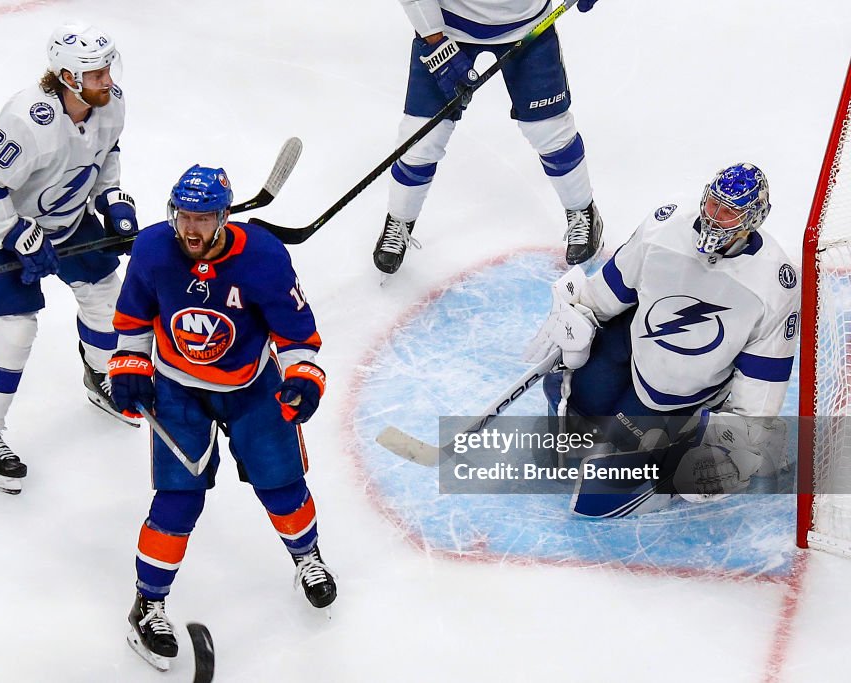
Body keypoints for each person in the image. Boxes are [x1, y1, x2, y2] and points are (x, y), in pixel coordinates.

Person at [109, 165, 337, 670]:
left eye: (203, 217)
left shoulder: (263, 257)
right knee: (177, 499)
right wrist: (128, 365)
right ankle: (148, 605)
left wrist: (303, 375)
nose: (191, 228)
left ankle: (307, 558)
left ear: (224, 216)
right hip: (177, 386)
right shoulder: (151, 250)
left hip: (251, 386)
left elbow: (296, 329)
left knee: (280, 484)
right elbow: (132, 316)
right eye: (184, 216)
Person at [525, 163, 799, 506]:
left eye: (729, 212)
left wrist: (736, 444)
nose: (715, 217)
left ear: (754, 218)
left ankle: (683, 436)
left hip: (682, 388)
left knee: (609, 476)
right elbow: (613, 288)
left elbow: (764, 376)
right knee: (576, 414)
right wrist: (576, 317)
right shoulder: (665, 226)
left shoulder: (774, 284)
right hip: (635, 343)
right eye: (713, 203)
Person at [0, 22, 140, 495]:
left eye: (107, 69)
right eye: (96, 73)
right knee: (15, 328)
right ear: (68, 77)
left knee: (105, 295)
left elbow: (105, 155)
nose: (108, 79)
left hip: (69, 218)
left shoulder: (109, 102)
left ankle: (102, 378)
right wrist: (16, 234)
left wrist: (113, 198)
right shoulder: (28, 120)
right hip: (7, 230)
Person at [373, 0, 604, 277]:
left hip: (527, 22)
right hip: (449, 27)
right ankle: (400, 217)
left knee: (550, 131)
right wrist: (435, 42)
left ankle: (582, 211)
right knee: (421, 139)